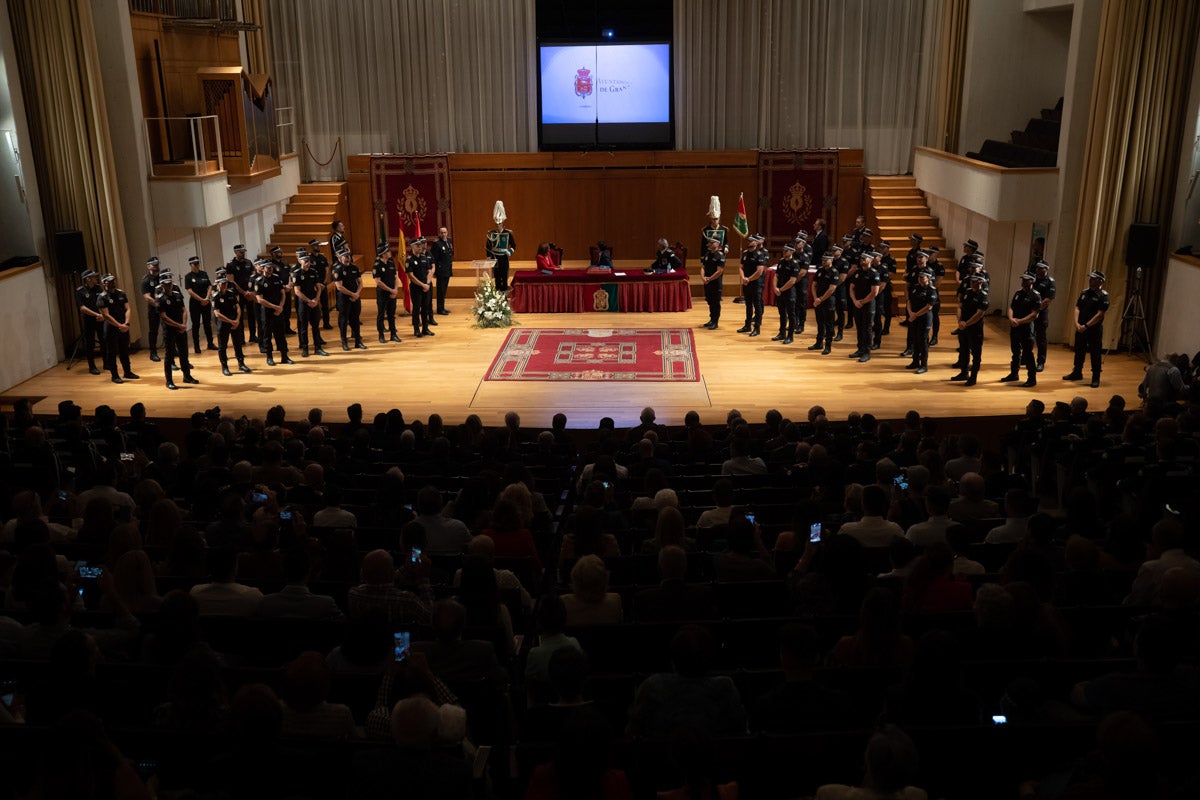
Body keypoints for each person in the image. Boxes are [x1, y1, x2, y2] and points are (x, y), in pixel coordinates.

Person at [1064, 270, 1109, 387]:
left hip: (1094, 329)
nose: (1091, 280)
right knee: (1079, 350)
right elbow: (1077, 308)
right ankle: (1077, 372)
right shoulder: (1084, 293)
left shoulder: (1103, 296)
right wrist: (1076, 323)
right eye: (1090, 278)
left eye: (1094, 278)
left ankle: (1096, 377)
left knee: (1095, 353)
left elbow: (1100, 314)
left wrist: (1087, 326)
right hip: (1081, 327)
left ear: (1101, 281)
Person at [155, 272, 199, 389]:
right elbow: (164, 317)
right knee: (169, 356)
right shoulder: (160, 299)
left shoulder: (177, 295)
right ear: (162, 285)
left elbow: (184, 310)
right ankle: (169, 381)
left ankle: (187, 376)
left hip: (181, 329)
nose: (169, 285)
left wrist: (183, 324)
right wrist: (178, 325)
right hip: (170, 330)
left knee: (184, 353)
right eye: (166, 284)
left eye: (170, 283)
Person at [96, 274, 138, 384]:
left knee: (124, 350)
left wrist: (126, 323)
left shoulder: (121, 293)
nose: (112, 282)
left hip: (123, 325)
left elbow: (127, 309)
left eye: (113, 280)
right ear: (104, 283)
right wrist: (119, 325)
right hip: (111, 327)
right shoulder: (102, 297)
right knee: (112, 352)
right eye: (109, 281)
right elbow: (106, 315)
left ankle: (127, 372)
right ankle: (114, 375)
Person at [1002, 272, 1041, 387]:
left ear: (1032, 281)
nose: (1023, 281)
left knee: (1028, 354)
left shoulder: (1035, 296)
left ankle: (1032, 379)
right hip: (1015, 327)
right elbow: (1011, 307)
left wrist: (1019, 321)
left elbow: (1034, 315)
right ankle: (1014, 374)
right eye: (1023, 279)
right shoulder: (1018, 293)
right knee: (1015, 352)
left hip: (1026, 328)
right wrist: (1011, 319)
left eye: (1026, 280)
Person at [952, 273, 989, 386]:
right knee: (964, 351)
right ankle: (964, 373)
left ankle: (973, 377)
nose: (972, 283)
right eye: (972, 281)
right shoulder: (967, 292)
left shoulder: (983, 296)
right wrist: (960, 321)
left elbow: (979, 314)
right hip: (963, 327)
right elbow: (960, 306)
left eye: (975, 281)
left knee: (976, 354)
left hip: (975, 329)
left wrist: (966, 323)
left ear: (980, 282)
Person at [257, 255, 294, 366]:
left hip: (278, 310)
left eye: (271, 267)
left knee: (281, 334)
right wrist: (274, 307)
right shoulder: (259, 281)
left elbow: (283, 293)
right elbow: (260, 299)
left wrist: (280, 306)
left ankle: (284, 356)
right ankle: (269, 357)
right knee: (267, 335)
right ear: (263, 268)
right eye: (268, 267)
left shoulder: (276, 278)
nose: (270, 269)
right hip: (267, 312)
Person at [211, 277, 252, 376]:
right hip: (223, 323)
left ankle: (241, 364)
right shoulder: (215, 296)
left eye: (225, 283)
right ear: (217, 284)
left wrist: (237, 320)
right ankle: (225, 367)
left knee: (238, 344)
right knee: (222, 346)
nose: (224, 285)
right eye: (222, 283)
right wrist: (231, 322)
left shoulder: (231, 293)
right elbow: (217, 314)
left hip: (234, 322)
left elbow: (238, 307)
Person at [292, 248, 329, 356]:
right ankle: (305, 349)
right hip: (304, 303)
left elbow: (318, 287)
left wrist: (316, 299)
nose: (308, 263)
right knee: (304, 327)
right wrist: (308, 301)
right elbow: (297, 291)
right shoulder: (297, 274)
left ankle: (318, 348)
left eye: (308, 261)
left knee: (315, 326)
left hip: (314, 302)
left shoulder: (313, 272)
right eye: (305, 261)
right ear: (300, 261)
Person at [848, 251, 881, 362]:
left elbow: (874, 292)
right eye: (861, 258)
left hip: (868, 304)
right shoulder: (857, 272)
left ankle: (867, 352)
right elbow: (851, 288)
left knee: (867, 328)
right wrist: (854, 300)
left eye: (864, 258)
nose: (862, 260)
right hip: (857, 303)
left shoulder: (874, 273)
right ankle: (860, 349)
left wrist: (862, 302)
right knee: (859, 327)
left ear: (870, 260)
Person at [332, 247, 367, 350]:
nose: (347, 258)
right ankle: (344, 342)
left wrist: (357, 294)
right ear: (340, 257)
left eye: (348, 256)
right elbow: (339, 287)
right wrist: (352, 294)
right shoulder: (338, 269)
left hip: (355, 297)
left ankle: (358, 341)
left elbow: (360, 282)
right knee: (344, 320)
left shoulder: (354, 267)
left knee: (355, 319)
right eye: (345, 256)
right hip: (344, 298)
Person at [904, 269, 936, 375]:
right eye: (919, 277)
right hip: (914, 317)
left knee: (923, 342)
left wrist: (915, 315)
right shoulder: (915, 288)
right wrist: (910, 313)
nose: (920, 279)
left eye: (922, 277)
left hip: (924, 318)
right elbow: (909, 301)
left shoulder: (931, 290)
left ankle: (924, 365)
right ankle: (915, 361)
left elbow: (929, 306)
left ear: (928, 278)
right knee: (915, 340)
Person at [75, 270, 106, 375]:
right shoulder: (80, 291)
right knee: (90, 344)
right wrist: (96, 314)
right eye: (93, 277)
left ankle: (106, 363)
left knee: (104, 341)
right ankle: (92, 367)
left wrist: (102, 315)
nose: (96, 278)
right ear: (88, 279)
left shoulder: (99, 288)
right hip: (89, 320)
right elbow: (82, 308)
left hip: (101, 319)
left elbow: (103, 303)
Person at [225, 243, 257, 344]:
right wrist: (243, 292)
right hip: (239, 294)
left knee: (252, 315)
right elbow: (231, 281)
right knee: (240, 315)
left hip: (249, 293)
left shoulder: (248, 262)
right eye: (241, 252)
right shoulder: (231, 265)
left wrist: (250, 291)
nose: (243, 254)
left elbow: (253, 277)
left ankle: (253, 336)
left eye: (244, 252)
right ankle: (241, 338)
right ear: (235, 252)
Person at [183, 255, 215, 353]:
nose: (197, 265)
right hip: (195, 303)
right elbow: (190, 291)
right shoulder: (188, 277)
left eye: (198, 263)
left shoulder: (204, 274)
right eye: (195, 264)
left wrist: (207, 298)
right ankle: (196, 346)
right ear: (190, 265)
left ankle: (210, 343)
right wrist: (201, 299)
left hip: (206, 302)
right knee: (196, 325)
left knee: (207, 324)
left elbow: (210, 286)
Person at [372, 243, 401, 343]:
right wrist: (391, 290)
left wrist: (395, 289)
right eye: (388, 251)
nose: (390, 252)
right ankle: (381, 335)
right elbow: (378, 282)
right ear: (383, 253)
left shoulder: (391, 262)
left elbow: (395, 277)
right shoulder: (377, 265)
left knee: (391, 314)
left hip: (392, 292)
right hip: (383, 293)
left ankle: (393, 334)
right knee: (381, 315)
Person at [809, 253, 838, 354]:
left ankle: (828, 346)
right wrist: (815, 298)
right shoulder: (820, 270)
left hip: (828, 301)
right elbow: (814, 285)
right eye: (823, 260)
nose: (823, 261)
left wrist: (820, 299)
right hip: (818, 300)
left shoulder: (834, 272)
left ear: (831, 260)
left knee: (829, 324)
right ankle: (819, 343)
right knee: (819, 322)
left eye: (826, 260)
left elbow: (832, 289)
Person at [406, 237, 435, 338]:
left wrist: (427, 283)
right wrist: (423, 285)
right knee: (416, 308)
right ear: (412, 247)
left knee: (425, 308)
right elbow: (411, 276)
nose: (420, 247)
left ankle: (425, 328)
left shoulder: (424, 258)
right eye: (417, 245)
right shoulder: (409, 260)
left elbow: (429, 271)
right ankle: (416, 329)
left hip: (426, 286)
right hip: (416, 288)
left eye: (420, 245)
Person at [737, 234, 765, 336]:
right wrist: (743, 278)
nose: (749, 242)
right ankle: (747, 325)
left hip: (756, 283)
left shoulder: (759, 254)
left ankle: (757, 328)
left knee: (757, 305)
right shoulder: (745, 254)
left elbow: (759, 271)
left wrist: (749, 279)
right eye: (748, 241)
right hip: (746, 282)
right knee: (748, 304)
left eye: (751, 241)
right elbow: (741, 267)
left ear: (756, 243)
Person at [772, 242, 800, 344]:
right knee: (782, 314)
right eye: (783, 250)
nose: (784, 252)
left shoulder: (795, 264)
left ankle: (790, 336)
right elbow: (776, 276)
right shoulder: (781, 262)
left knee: (791, 315)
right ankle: (782, 333)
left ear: (792, 251)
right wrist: (775, 288)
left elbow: (792, 281)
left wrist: (780, 289)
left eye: (786, 251)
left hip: (789, 292)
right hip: (780, 291)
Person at [1032, 259, 1056, 371]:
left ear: (1046, 269)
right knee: (1028, 336)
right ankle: (1025, 357)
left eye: (1041, 268)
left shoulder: (1050, 282)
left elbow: (1048, 299)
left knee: (1041, 338)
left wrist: (1036, 310)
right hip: (1030, 312)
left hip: (1041, 313)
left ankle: (1040, 362)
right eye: (1037, 267)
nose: (1038, 269)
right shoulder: (1033, 279)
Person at [486, 200, 515, 291]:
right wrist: (489, 256)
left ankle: (504, 296)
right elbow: (488, 245)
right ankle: (497, 296)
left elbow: (513, 245)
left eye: (500, 224)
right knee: (497, 278)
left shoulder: (508, 233)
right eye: (497, 224)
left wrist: (509, 252)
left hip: (504, 258)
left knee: (504, 278)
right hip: (495, 258)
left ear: (503, 224)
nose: (498, 226)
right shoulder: (492, 233)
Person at [140, 255, 163, 361]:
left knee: (169, 329)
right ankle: (153, 353)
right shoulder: (146, 280)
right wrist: (157, 304)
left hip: (165, 308)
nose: (156, 266)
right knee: (153, 331)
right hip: (154, 309)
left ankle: (173, 349)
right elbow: (147, 297)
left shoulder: (162, 277)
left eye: (157, 264)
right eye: (154, 265)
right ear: (148, 266)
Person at [306, 238, 333, 329]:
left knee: (325, 305)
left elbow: (327, 270)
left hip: (323, 285)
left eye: (318, 245)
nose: (318, 247)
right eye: (315, 245)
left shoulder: (323, 257)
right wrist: (316, 285)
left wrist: (324, 282)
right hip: (314, 286)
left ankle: (326, 323)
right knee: (314, 306)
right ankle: (314, 324)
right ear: (311, 247)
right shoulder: (309, 259)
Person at [699, 238, 725, 330]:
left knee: (715, 302)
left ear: (717, 244)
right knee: (709, 301)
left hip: (715, 282)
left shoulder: (720, 255)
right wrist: (703, 277)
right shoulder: (707, 254)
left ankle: (715, 321)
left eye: (712, 242)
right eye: (709, 243)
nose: (709, 244)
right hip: (707, 281)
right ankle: (711, 319)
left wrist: (709, 279)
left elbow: (719, 271)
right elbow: (703, 267)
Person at [430, 226, 454, 315]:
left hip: (447, 270)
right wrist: (435, 272)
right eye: (442, 233)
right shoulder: (437, 244)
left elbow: (449, 255)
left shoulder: (449, 241)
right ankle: (440, 309)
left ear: (447, 233)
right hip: (441, 271)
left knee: (444, 290)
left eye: (445, 232)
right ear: (439, 233)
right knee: (440, 291)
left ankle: (442, 307)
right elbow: (434, 259)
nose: (443, 234)